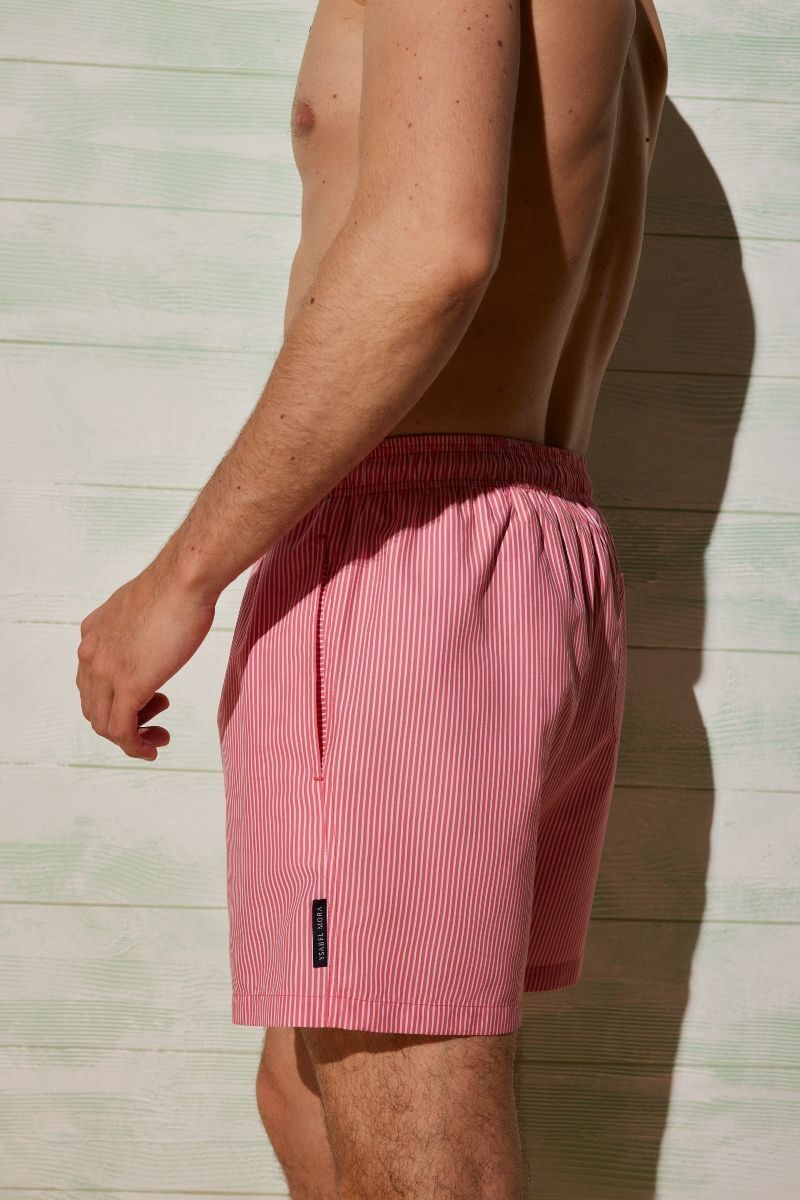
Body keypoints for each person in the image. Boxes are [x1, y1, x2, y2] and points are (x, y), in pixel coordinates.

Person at [76, 0, 668, 1194]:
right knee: (308, 1093)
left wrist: (181, 575)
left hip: (400, 555)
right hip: (530, 535)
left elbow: (427, 248)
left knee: (418, 1155)